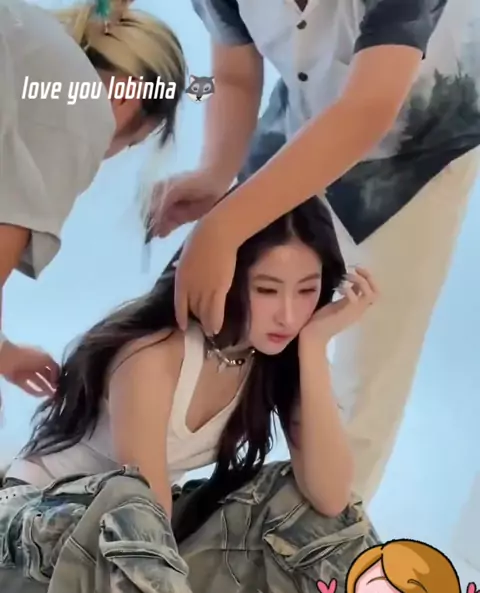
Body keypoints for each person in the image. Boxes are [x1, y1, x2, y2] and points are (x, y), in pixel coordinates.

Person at [0, 194, 479, 593]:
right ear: (223, 277)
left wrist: (314, 347)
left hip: (133, 542)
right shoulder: (153, 353)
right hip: (29, 540)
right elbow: (144, 521)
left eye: (307, 291)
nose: (287, 312)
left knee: (294, 500)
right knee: (131, 501)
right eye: (267, 288)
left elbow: (329, 496)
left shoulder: (269, 359)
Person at [148, 0, 480, 502]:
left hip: (420, 149)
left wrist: (224, 226)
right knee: (210, 307)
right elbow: (235, 74)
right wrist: (216, 173)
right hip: (301, 120)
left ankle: (327, 531)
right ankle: (149, 491)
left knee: (369, 369)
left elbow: (368, 106)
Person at [0, 0, 185, 397]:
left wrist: (4, 352)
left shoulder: (26, 41)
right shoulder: (81, 108)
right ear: (124, 96)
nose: (105, 154)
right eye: (129, 142)